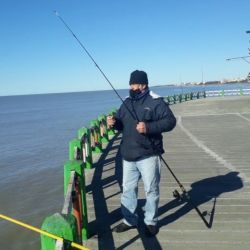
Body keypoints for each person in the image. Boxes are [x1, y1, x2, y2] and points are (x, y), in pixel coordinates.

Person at [107, 70, 176, 237]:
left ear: (143, 84)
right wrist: (113, 123)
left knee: (151, 190)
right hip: (128, 154)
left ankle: (151, 221)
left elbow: (170, 121)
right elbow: (121, 124)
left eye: (135, 83)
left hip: (148, 154)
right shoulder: (127, 102)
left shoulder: (155, 101)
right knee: (128, 190)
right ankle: (130, 220)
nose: (132, 86)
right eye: (130, 83)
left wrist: (149, 127)